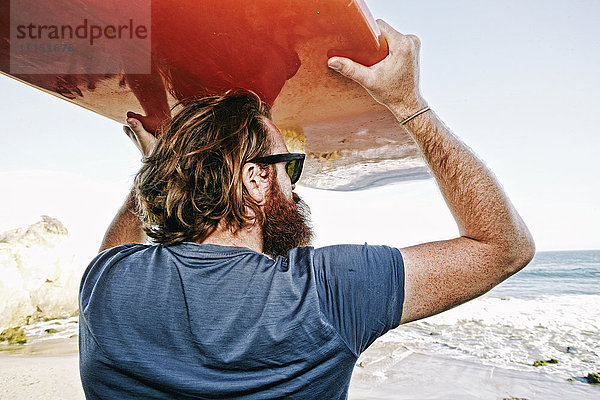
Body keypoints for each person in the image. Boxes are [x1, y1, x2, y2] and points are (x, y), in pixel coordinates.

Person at [79, 20, 534, 399]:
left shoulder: (109, 285)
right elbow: (504, 247)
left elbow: (113, 249)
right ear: (256, 179)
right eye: (288, 167)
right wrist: (408, 104)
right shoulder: (327, 291)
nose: (295, 191)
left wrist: (161, 165)